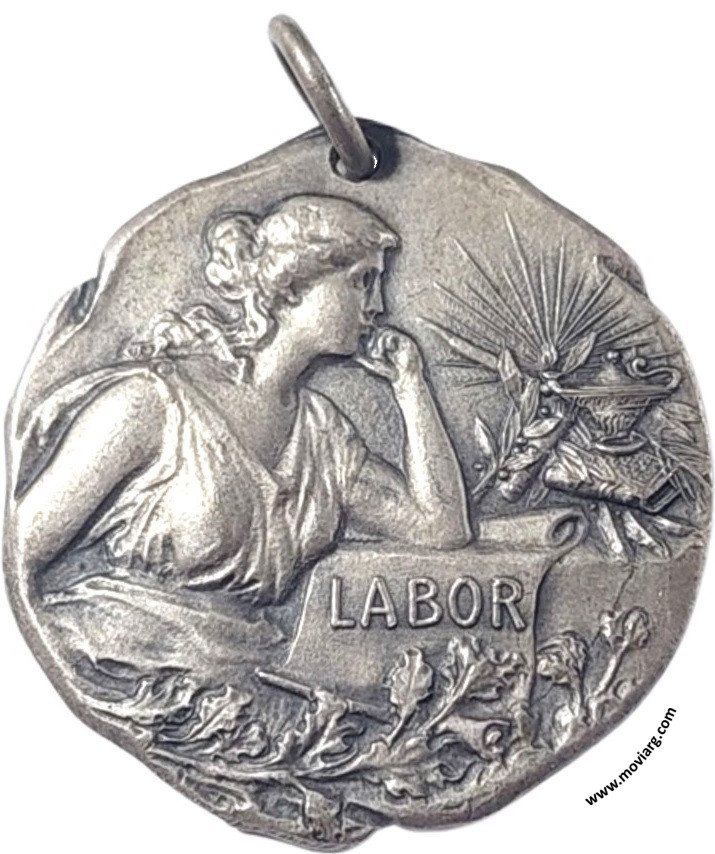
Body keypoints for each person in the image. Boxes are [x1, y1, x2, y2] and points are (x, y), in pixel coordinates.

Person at [15, 195, 470, 610]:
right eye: (362, 281)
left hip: (254, 662)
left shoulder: (322, 434)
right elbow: (19, 547)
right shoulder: (154, 403)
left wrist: (411, 385)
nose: (378, 305)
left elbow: (441, 528)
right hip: (123, 653)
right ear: (291, 284)